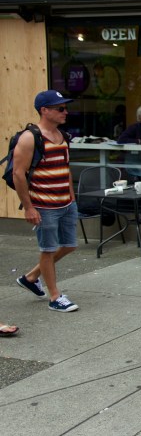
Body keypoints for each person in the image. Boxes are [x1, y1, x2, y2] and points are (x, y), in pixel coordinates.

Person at [13, 90, 79, 312]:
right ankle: (54, 297)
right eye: (60, 108)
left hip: (66, 203)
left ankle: (31, 277)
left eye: (65, 108)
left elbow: (65, 169)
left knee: (69, 245)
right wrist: (29, 207)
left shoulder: (63, 136)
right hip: (44, 205)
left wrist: (71, 197)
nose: (65, 112)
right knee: (48, 250)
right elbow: (18, 174)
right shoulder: (30, 137)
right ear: (44, 110)